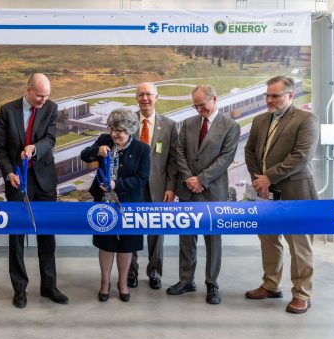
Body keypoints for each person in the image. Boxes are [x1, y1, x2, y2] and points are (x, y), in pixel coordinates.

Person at [244, 76, 319, 314]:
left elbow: (301, 156)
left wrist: (270, 177)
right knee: (268, 240)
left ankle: (301, 294)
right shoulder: (260, 120)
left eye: (275, 96)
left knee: (299, 246)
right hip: (264, 193)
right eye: (267, 95)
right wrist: (259, 179)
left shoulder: (307, 120)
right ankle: (270, 284)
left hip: (296, 192)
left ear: (290, 95)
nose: (269, 100)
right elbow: (250, 150)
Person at [0, 73, 68, 308]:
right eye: (39, 95)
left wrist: (35, 148)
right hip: (18, 181)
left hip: (45, 181)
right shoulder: (7, 110)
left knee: (47, 236)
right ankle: (20, 289)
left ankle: (49, 286)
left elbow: (50, 139)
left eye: (46, 96)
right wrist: (9, 173)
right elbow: (0, 148)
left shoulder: (51, 108)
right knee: (17, 236)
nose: (43, 100)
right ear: (28, 90)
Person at [167, 85, 240, 305]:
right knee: (186, 238)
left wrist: (201, 179)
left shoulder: (230, 126)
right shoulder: (188, 125)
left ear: (215, 99)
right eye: (195, 106)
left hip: (213, 192)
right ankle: (186, 280)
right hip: (188, 191)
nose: (199, 109)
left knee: (213, 240)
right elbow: (179, 153)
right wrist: (190, 179)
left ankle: (212, 284)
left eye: (203, 105)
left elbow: (225, 159)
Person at [81, 108, 150, 302]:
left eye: (119, 131)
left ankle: (122, 284)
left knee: (126, 246)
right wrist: (97, 151)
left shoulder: (141, 149)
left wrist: (116, 184)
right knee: (106, 244)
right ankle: (104, 283)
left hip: (129, 205)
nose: (114, 134)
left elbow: (142, 179)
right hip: (104, 203)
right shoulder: (104, 140)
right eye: (112, 129)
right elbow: (84, 155)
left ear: (129, 130)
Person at [127, 82, 178, 290]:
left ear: (157, 97)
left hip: (159, 187)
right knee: (131, 229)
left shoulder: (169, 125)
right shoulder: (128, 122)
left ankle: (155, 272)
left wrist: (171, 186)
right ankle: (130, 272)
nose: (145, 98)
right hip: (132, 187)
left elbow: (173, 160)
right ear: (136, 98)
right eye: (141, 94)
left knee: (156, 232)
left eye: (149, 94)